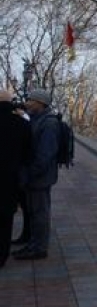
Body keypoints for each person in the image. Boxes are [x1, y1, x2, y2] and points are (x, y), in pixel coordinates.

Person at [15, 88, 61, 261]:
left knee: (40, 213)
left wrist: (31, 173)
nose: (27, 103)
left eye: (30, 100)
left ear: (40, 103)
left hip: (40, 178)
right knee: (35, 212)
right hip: (36, 176)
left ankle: (39, 248)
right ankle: (33, 243)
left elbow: (45, 154)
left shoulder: (48, 123)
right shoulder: (38, 119)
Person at [0, 89, 31, 268]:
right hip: (10, 180)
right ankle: (2, 254)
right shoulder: (21, 124)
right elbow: (28, 153)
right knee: (5, 219)